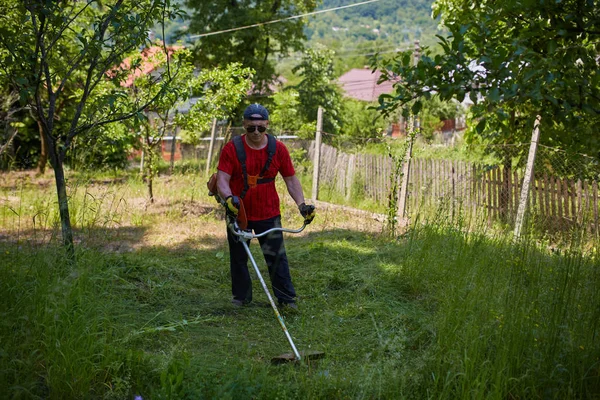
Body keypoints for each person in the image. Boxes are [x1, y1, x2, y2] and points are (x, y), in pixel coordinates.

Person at [216, 103, 315, 309]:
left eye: (261, 127)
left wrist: (302, 204)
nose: (256, 132)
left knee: (276, 255)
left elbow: (290, 180)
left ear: (267, 125)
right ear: (244, 124)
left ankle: (286, 299)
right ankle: (241, 298)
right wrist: (228, 199)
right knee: (239, 256)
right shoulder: (232, 148)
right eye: (251, 127)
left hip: (268, 211)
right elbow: (222, 180)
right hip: (238, 210)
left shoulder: (278, 149)